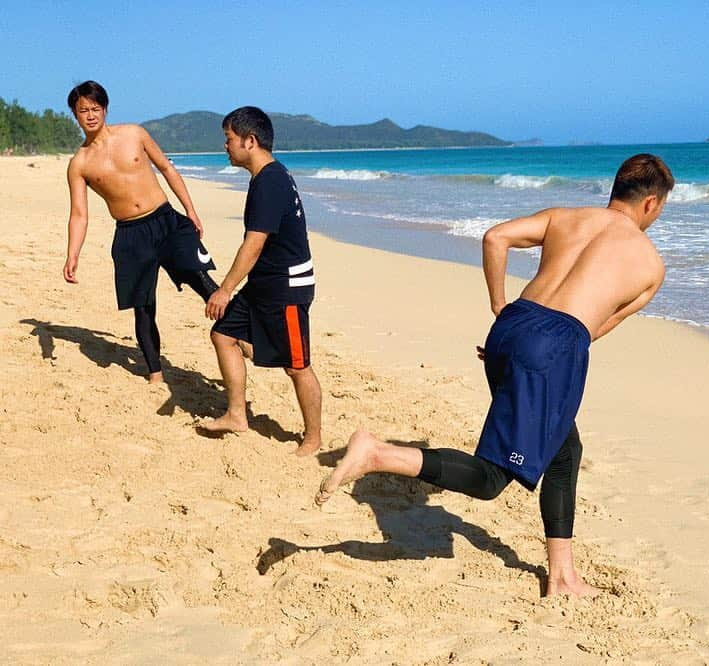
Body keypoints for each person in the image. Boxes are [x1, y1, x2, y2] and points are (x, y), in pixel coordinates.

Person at [316, 154, 674, 596]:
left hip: (513, 324)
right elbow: (592, 331)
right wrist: (536, 357)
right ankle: (376, 453)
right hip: (553, 344)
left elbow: (495, 238)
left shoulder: (565, 217)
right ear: (652, 203)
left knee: (565, 449)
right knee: (490, 479)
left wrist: (501, 307)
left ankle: (562, 574)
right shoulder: (650, 266)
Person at [64, 80, 218, 384]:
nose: (91, 115)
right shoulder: (79, 164)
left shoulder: (134, 134)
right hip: (130, 235)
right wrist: (72, 254)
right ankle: (154, 373)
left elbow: (167, 169)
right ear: (75, 114)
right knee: (144, 306)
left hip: (166, 221)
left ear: (105, 109)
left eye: (96, 108)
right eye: (84, 110)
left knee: (201, 277)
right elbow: (79, 214)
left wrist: (190, 209)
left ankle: (240, 336)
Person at [203, 106, 322, 456]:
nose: (225, 146)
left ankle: (313, 438)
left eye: (228, 139)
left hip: (287, 288)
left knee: (297, 366)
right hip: (264, 284)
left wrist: (224, 290)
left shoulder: (270, 180)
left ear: (249, 140)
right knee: (223, 334)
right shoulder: (267, 176)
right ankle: (237, 415)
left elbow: (254, 244)